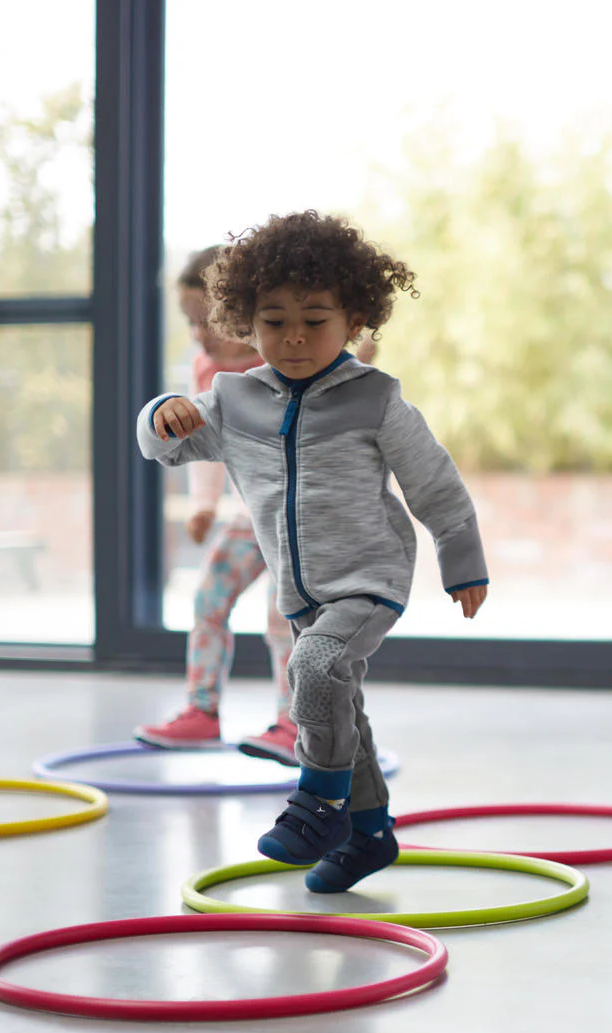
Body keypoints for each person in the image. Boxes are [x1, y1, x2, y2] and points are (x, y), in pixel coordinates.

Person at [137, 210, 488, 892]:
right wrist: (160, 414)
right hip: (300, 590)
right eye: (274, 320)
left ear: (353, 321)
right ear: (247, 323)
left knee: (315, 666)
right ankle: (369, 835)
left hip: (369, 577)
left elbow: (434, 483)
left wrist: (461, 557)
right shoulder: (234, 400)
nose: (293, 335)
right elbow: (167, 449)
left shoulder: (375, 399)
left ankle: (320, 802)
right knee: (339, 704)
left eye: (315, 319)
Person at [134, 246, 299, 766]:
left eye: (207, 321)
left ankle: (296, 724)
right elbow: (200, 441)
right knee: (208, 598)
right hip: (251, 516)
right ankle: (201, 711)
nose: (198, 334)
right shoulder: (205, 370)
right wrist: (203, 504)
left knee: (285, 618)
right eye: (190, 323)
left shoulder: (286, 361)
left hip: (299, 522)